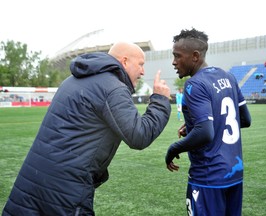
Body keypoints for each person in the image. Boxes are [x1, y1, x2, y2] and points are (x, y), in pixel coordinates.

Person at [3, 42, 171, 215]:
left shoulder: (73, 80)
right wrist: (160, 100)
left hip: (34, 179)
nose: (143, 71)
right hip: (65, 188)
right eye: (141, 64)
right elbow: (139, 135)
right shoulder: (112, 87)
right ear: (125, 61)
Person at [165, 28, 251, 216]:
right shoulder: (228, 76)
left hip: (208, 178)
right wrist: (193, 127)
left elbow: (205, 133)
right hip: (234, 174)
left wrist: (173, 149)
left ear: (195, 56)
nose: (173, 62)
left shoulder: (194, 84)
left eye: (177, 56)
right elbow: (244, 119)